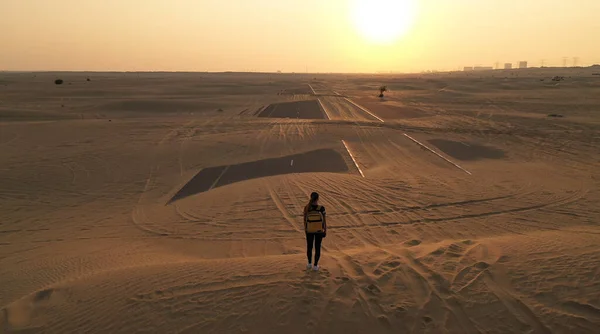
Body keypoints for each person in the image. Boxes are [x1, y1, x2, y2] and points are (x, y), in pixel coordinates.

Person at [304, 192, 326, 271]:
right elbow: (324, 220)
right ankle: (315, 266)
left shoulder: (307, 207)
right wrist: (325, 230)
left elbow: (304, 220)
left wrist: (306, 229)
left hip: (309, 230)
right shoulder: (321, 208)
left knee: (309, 247)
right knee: (317, 247)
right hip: (319, 231)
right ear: (318, 198)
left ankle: (309, 264)